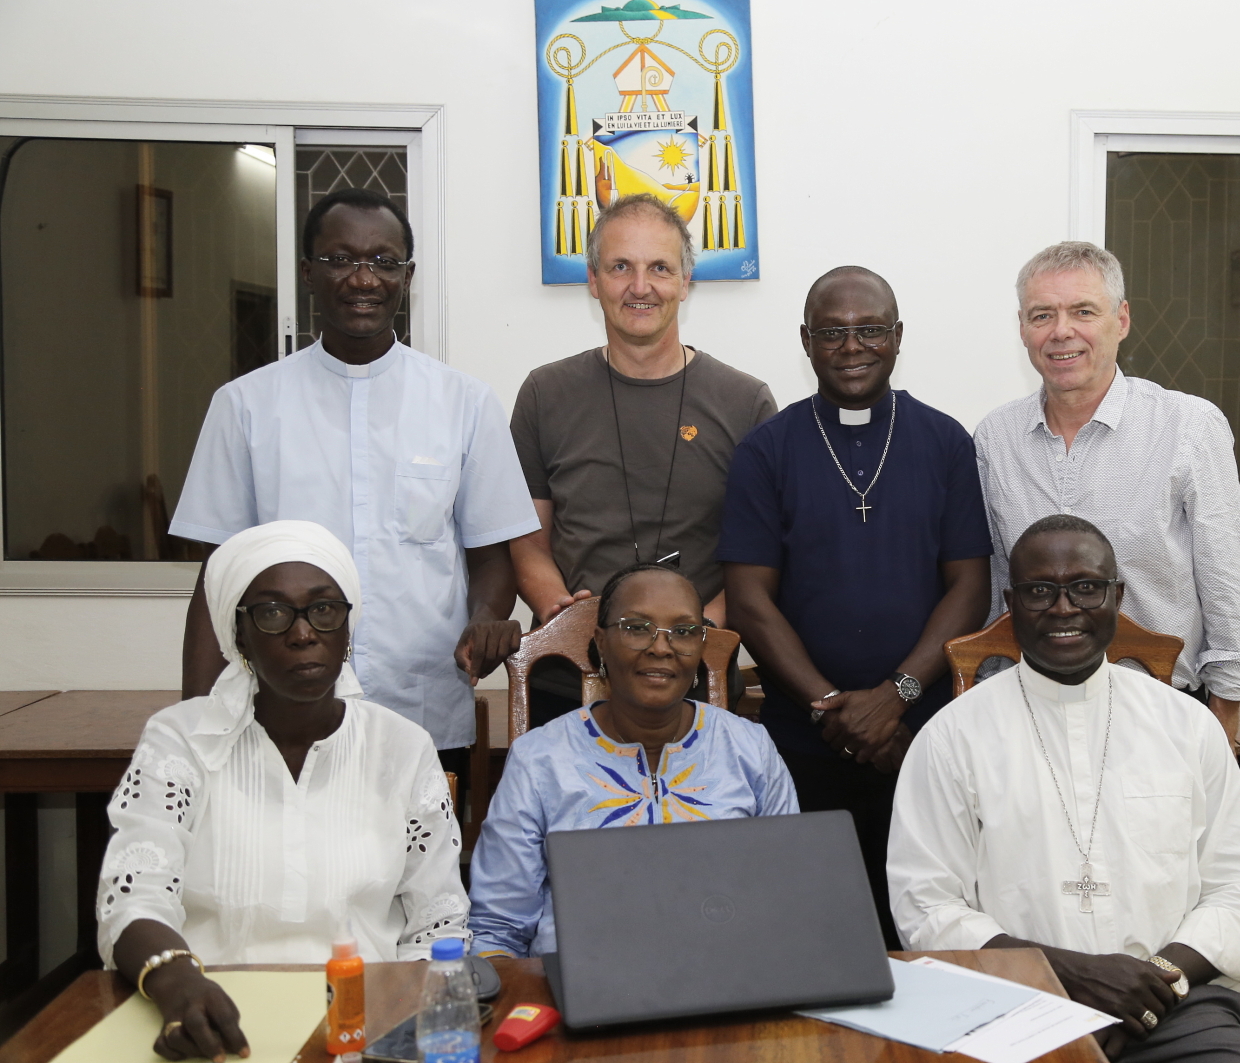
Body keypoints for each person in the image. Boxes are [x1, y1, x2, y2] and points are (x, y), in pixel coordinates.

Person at [171, 188, 538, 776]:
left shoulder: (465, 403)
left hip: (421, 713)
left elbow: (491, 554)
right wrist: (193, 724)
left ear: (407, 276)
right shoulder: (245, 405)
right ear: (308, 272)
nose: (363, 278)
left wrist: (482, 622)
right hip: (277, 713)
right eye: (341, 259)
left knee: (416, 867)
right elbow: (217, 578)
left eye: (384, 262)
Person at [889, 515, 1240, 1062]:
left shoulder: (1186, 726)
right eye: (1040, 591)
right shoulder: (951, 738)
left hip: (1171, 1004)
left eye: (1086, 588)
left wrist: (1151, 985)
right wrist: (1074, 977)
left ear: (1117, 597)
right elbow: (925, 907)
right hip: (1008, 1004)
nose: (1064, 608)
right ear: (1011, 601)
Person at [97, 521, 468, 1063]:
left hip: (363, 1030)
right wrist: (180, 986)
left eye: (324, 610)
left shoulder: (402, 747)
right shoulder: (180, 740)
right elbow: (133, 898)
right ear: (239, 634)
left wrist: (398, 1031)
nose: (303, 633)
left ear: (348, 626)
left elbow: (437, 923)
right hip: (210, 1023)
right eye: (272, 613)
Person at [719, 266, 993, 950]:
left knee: (928, 926)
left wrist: (895, 697)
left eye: (870, 329)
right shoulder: (766, 451)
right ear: (806, 342)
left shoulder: (946, 442)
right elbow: (750, 600)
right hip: (802, 738)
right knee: (814, 932)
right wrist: (832, 704)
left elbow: (970, 586)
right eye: (833, 332)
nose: (852, 346)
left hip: (924, 734)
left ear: (897, 338)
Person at [975, 241, 1240, 747]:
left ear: (1122, 319)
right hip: (1028, 723)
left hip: (1162, 718)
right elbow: (998, 586)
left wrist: (1221, 726)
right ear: (1022, 328)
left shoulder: (1188, 427)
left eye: (1083, 311)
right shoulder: (994, 439)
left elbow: (1227, 586)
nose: (1061, 331)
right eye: (1042, 314)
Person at [509, 193, 776, 724]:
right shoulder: (544, 394)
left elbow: (762, 560)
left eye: (659, 267)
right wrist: (559, 609)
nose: (640, 287)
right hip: (570, 682)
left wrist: (692, 634)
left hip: (703, 683)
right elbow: (528, 541)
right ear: (592, 279)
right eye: (620, 267)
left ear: (685, 281)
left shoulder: (746, 403)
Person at [467, 563, 797, 958]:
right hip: (576, 992)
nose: (661, 647)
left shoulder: (750, 748)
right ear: (601, 642)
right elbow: (497, 930)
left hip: (728, 980)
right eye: (637, 627)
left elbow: (788, 900)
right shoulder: (539, 759)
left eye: (684, 631)